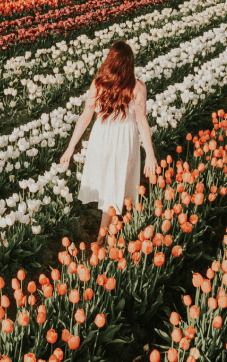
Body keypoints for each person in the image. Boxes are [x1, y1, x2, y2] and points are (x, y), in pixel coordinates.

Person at [60, 41, 157, 245]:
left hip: (101, 138)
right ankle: (104, 237)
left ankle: (106, 234)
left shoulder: (99, 84)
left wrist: (71, 147)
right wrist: (149, 153)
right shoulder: (137, 87)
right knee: (114, 187)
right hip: (124, 142)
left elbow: (86, 116)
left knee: (111, 187)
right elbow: (141, 122)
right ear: (129, 64)